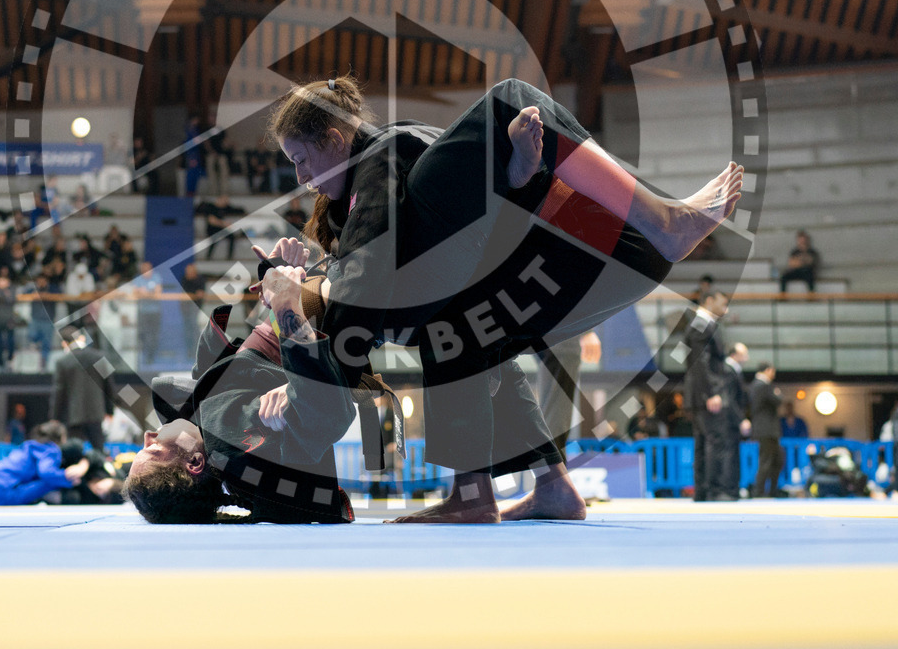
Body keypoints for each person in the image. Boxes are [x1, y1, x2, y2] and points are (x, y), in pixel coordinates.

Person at [259, 76, 743, 522]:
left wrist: (302, 351)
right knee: (461, 329)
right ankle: (540, 488)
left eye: (301, 160)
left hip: (591, 246)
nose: (301, 178)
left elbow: (359, 290)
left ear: (334, 140)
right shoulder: (368, 203)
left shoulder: (383, 160)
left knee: (510, 102)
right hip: (590, 259)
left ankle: (658, 218)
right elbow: (361, 284)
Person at [123, 240, 355, 525]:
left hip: (309, 308)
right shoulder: (236, 443)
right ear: (195, 463)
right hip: (330, 311)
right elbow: (329, 415)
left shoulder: (206, 423)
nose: (148, 435)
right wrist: (285, 304)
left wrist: (275, 276)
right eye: (153, 450)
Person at [682, 291, 732, 501]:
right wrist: (711, 393)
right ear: (709, 301)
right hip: (705, 394)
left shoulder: (700, 324)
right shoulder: (702, 324)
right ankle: (714, 491)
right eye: (723, 303)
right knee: (714, 441)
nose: (726, 309)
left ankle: (703, 491)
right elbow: (701, 363)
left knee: (703, 442)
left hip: (698, 393)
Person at [51, 326, 115, 451]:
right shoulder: (98, 357)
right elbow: (109, 387)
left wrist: (55, 417)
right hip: (96, 414)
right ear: (82, 338)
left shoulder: (63, 362)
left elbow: (58, 392)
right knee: (99, 451)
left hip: (73, 416)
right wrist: (110, 411)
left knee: (74, 453)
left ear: (65, 344)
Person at [750, 362, 784, 497]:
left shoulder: (756, 385)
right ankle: (759, 491)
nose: (773, 375)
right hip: (767, 430)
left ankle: (771, 491)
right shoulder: (763, 385)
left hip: (765, 430)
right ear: (767, 370)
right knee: (766, 461)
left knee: (776, 460)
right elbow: (778, 400)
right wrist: (777, 393)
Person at [720, 342, 749, 500]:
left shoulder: (734, 371)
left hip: (731, 420)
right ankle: (728, 490)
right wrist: (740, 419)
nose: (746, 358)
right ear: (734, 355)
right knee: (729, 455)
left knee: (733, 455)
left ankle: (733, 489)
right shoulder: (728, 370)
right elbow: (730, 399)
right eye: (744, 354)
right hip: (728, 421)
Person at [0, 269, 18, 372]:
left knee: (10, 342)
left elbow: (12, 300)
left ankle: (10, 360)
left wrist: (3, 296)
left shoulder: (12, 289)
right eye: (0, 280)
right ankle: (0, 363)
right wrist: (3, 294)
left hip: (9, 319)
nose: (1, 283)